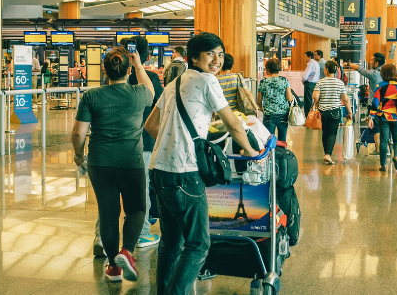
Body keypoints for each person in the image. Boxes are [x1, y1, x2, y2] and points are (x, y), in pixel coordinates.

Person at [144, 32, 259, 295]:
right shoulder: (208, 81)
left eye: (220, 53)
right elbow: (232, 123)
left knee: (171, 243)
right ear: (194, 57)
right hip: (184, 174)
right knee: (197, 244)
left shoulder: (174, 82)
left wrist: (173, 142)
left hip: (159, 170)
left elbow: (151, 125)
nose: (217, 60)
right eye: (210, 54)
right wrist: (252, 151)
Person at [70, 46, 156, 282]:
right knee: (137, 209)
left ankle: (113, 267)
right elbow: (150, 89)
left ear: (105, 71)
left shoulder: (91, 96)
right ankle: (127, 251)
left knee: (108, 214)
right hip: (131, 161)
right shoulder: (139, 93)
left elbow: (78, 133)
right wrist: (138, 64)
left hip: (100, 162)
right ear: (128, 71)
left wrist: (78, 156)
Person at [370, 64, 397, 172]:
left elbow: (375, 102)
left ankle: (383, 165)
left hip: (383, 117)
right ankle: (396, 157)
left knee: (384, 140)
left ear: (383, 73)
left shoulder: (380, 86)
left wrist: (371, 117)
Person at [315, 61, 352, 165]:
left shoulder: (320, 82)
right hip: (335, 111)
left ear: (326, 70)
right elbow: (345, 99)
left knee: (325, 132)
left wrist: (318, 102)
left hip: (323, 111)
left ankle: (327, 153)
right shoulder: (339, 83)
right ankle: (328, 155)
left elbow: (315, 97)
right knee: (332, 133)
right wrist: (349, 112)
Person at [349, 53, 385, 153]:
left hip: (374, 104)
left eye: (372, 60)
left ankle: (378, 149)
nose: (370, 61)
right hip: (386, 104)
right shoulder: (386, 73)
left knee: (375, 127)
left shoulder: (374, 74)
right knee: (384, 126)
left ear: (377, 63)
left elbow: (361, 70)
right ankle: (384, 147)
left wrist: (350, 65)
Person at [257, 58, 295, 142]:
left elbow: (259, 101)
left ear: (267, 69)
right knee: (282, 140)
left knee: (269, 141)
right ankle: (283, 154)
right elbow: (289, 98)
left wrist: (262, 109)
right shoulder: (284, 81)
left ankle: (272, 155)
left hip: (268, 115)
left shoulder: (263, 82)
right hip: (283, 115)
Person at [301, 51, 320, 117]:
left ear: (309, 57)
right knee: (312, 101)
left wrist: (303, 79)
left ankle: (307, 117)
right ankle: (311, 117)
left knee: (308, 101)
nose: (304, 58)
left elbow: (305, 76)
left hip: (309, 83)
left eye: (305, 56)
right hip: (315, 83)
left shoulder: (310, 63)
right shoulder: (316, 63)